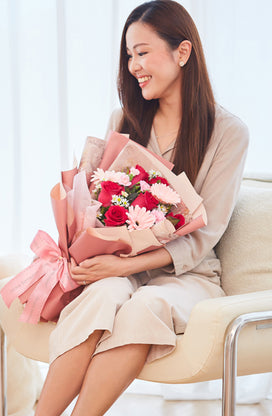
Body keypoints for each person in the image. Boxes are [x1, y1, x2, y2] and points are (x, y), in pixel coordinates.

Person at [34, 1, 249, 415]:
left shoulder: (228, 132)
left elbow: (207, 233)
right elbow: (97, 203)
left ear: (182, 53)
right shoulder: (124, 118)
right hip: (119, 265)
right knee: (101, 297)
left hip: (188, 275)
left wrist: (122, 267)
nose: (134, 65)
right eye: (129, 55)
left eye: (143, 52)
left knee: (146, 306)